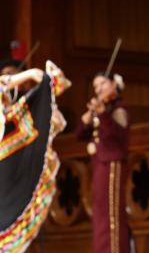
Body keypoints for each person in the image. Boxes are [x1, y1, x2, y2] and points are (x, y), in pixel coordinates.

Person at [0, 62, 70, 250]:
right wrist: (26, 74)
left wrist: (37, 81)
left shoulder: (23, 107)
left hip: (14, 170)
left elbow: (52, 122)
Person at [77, 72, 131, 253]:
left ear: (114, 85)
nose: (98, 89)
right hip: (100, 165)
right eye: (95, 86)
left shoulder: (118, 108)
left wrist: (102, 114)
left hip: (113, 164)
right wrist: (86, 121)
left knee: (112, 216)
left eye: (102, 84)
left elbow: (116, 135)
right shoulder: (101, 109)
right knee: (100, 216)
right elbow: (80, 135)